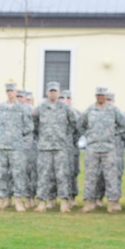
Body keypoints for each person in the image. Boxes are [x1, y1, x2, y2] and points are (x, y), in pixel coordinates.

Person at [78, 86, 125, 213]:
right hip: (92, 148)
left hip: (108, 148)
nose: (100, 97)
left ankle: (113, 203)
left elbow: (124, 124)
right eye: (98, 95)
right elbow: (80, 125)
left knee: (111, 176)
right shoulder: (90, 110)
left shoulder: (113, 110)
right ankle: (89, 202)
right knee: (90, 176)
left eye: (103, 95)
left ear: (107, 96)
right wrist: (89, 134)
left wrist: (112, 133)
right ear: (95, 96)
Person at [0, 82, 34, 212]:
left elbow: (29, 127)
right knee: (2, 174)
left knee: (18, 174)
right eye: (8, 91)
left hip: (17, 147)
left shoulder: (23, 108)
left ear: (16, 91)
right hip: (2, 147)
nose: (10, 93)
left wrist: (17, 136)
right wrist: (2, 135)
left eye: (12, 90)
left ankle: (18, 201)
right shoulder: (0, 108)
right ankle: (0, 200)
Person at [33, 81, 78, 212]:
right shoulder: (40, 108)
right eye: (51, 91)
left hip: (60, 147)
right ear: (47, 92)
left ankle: (64, 202)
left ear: (59, 93)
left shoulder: (65, 108)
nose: (53, 93)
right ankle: (42, 202)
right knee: (43, 175)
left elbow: (73, 123)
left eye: (55, 91)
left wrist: (64, 135)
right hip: (44, 147)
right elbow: (35, 125)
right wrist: (42, 137)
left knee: (62, 175)